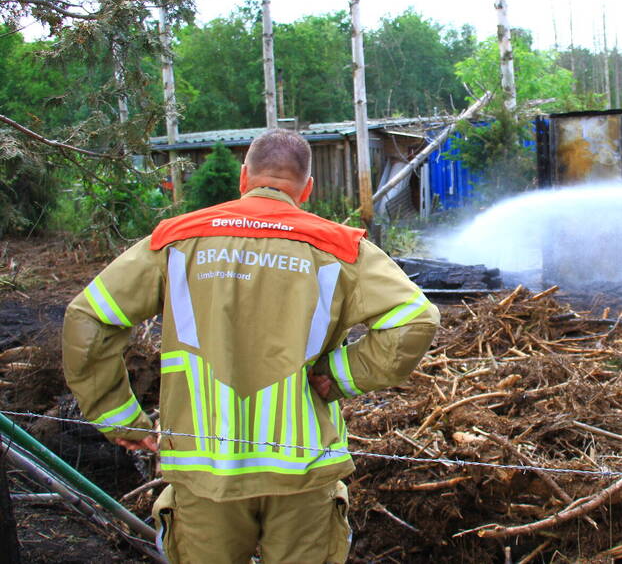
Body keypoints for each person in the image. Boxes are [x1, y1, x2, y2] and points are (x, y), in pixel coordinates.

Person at [62, 129, 439, 563]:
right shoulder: (339, 248)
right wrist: (338, 376)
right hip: (304, 469)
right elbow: (416, 320)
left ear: (244, 179)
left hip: (204, 472)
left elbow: (88, 319)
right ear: (307, 189)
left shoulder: (176, 240)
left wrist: (123, 421)